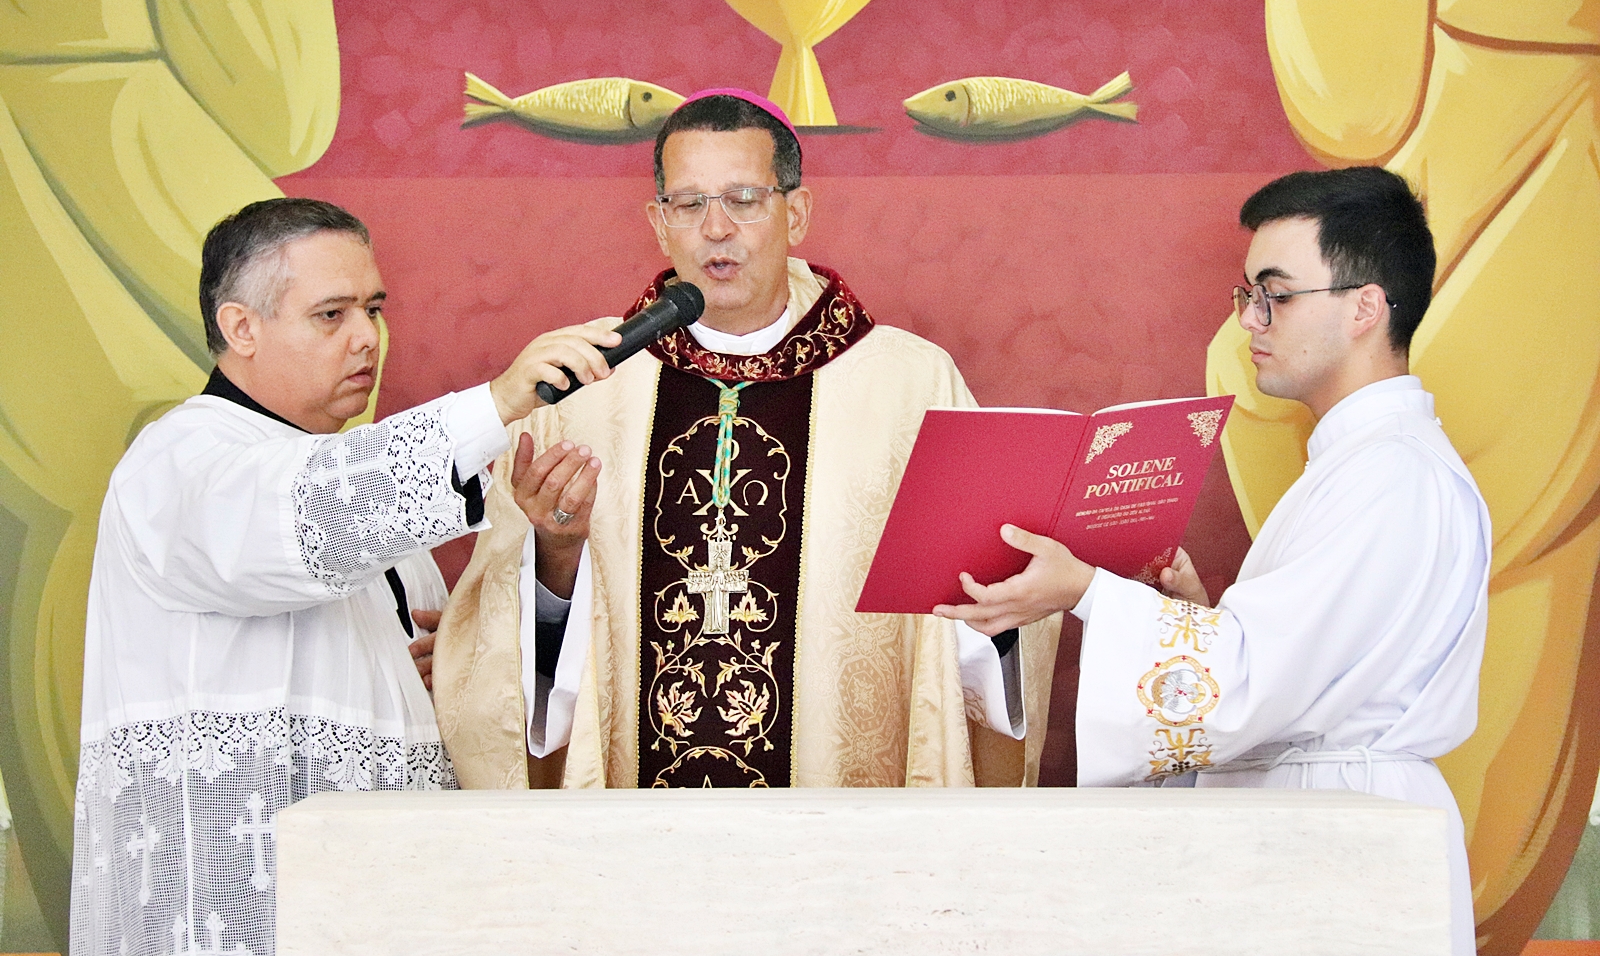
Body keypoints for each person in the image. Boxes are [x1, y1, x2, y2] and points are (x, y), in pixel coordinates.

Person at [435, 90, 1062, 789]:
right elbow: (504, 646)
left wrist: (1000, 598)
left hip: (840, 812)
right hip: (635, 822)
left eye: (743, 199)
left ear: (796, 213)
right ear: (659, 224)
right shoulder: (580, 389)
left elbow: (981, 612)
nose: (716, 228)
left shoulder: (909, 386)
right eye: (688, 204)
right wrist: (555, 553)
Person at [936, 166, 1489, 954]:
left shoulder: (1391, 474)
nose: (1249, 321)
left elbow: (1254, 684)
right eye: (1247, 295)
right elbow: (1300, 667)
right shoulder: (1363, 465)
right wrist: (1196, 617)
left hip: (1346, 841)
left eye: (1276, 295)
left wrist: (1087, 590)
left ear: (1366, 307)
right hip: (1319, 824)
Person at [69, 198, 619, 956]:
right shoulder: (180, 461)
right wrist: (497, 403)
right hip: (239, 914)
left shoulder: (376, 510)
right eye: (331, 314)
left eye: (373, 309)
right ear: (241, 328)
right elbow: (308, 519)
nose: (368, 338)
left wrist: (464, 661)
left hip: (381, 907)